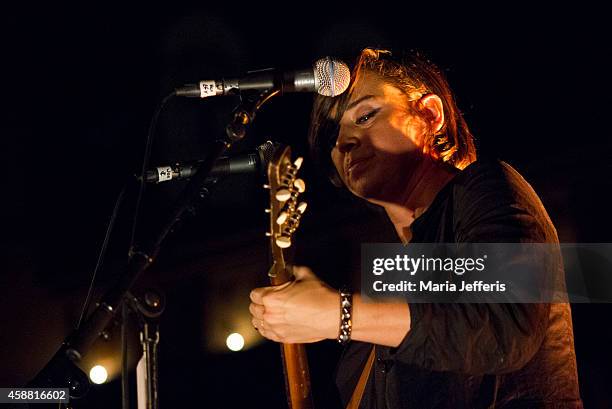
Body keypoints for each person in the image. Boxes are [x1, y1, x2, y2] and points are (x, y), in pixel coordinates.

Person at [248, 48, 583, 408]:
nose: (343, 142)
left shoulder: (485, 188)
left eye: (365, 115)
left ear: (430, 114)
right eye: (332, 135)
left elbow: (504, 328)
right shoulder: (386, 292)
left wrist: (341, 316)